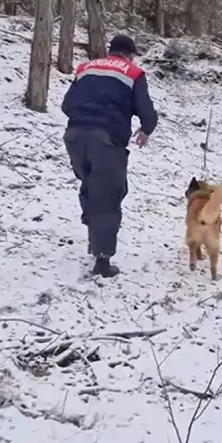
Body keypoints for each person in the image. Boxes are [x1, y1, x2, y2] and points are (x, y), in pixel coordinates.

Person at [61, 34, 158, 278]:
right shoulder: (133, 73)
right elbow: (146, 110)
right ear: (129, 55)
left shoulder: (85, 68)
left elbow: (66, 105)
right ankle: (102, 261)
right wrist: (146, 128)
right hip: (105, 141)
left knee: (91, 185)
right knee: (108, 196)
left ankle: (92, 223)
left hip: (74, 138)